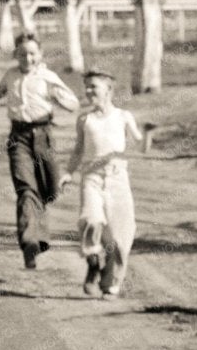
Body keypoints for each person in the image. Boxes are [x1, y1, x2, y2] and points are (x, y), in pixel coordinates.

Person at [0, 35, 79, 270]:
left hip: (44, 135)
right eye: (22, 53)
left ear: (40, 54)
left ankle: (37, 231)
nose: (27, 58)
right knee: (25, 188)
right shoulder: (11, 75)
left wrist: (60, 98)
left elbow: (73, 103)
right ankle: (30, 242)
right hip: (18, 136)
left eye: (32, 53)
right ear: (15, 55)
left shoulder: (48, 77)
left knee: (49, 190)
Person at [58, 70, 145, 298]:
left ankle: (111, 283)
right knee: (90, 220)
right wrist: (68, 172)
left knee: (119, 237)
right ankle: (93, 262)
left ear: (109, 90)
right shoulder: (85, 120)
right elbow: (78, 150)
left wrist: (149, 135)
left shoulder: (123, 116)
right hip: (92, 178)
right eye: (86, 87)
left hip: (118, 179)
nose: (88, 91)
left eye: (93, 86)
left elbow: (141, 145)